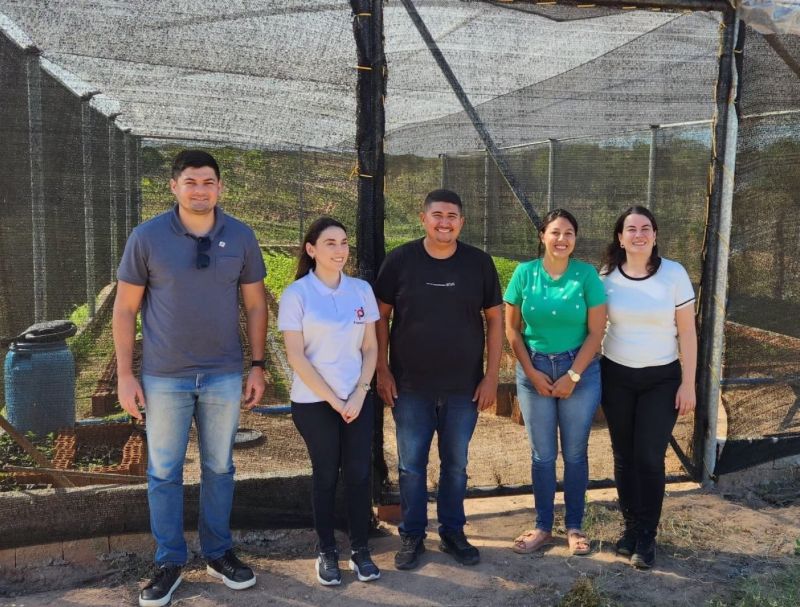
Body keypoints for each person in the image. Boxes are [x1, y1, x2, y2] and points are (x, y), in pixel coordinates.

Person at [113, 150, 267, 607]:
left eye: (208, 182)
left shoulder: (240, 235)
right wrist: (125, 374)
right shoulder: (147, 237)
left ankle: (218, 553)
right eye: (191, 182)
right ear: (174, 186)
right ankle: (169, 562)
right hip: (164, 377)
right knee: (164, 472)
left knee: (220, 467)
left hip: (223, 373)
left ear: (220, 187)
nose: (200, 190)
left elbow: (256, 304)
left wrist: (258, 365)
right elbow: (125, 308)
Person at [374, 189, 503, 570]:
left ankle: (452, 533)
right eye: (437, 215)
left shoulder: (479, 263)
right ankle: (412, 535)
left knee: (456, 466)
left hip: (464, 388)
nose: (444, 223)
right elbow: (380, 317)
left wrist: (491, 376)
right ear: (423, 218)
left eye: (452, 216)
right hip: (410, 387)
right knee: (411, 467)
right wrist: (382, 369)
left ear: (462, 222)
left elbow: (495, 320)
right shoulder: (400, 261)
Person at [277, 217, 381, 586]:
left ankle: (361, 551)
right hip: (314, 403)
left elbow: (371, 348)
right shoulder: (297, 294)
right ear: (311, 249)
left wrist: (360, 393)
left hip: (357, 400)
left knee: (359, 474)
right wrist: (336, 401)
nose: (340, 250)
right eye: (330, 243)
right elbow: (296, 357)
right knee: (325, 475)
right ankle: (327, 551)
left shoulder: (361, 290)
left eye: (344, 242)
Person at [504, 209, 606, 557]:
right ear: (542, 236)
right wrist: (531, 372)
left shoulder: (586, 275)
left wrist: (573, 375)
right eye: (555, 232)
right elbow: (512, 329)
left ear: (575, 239)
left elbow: (596, 332)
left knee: (575, 453)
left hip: (579, 370)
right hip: (533, 369)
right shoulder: (524, 273)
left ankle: (575, 526)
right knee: (543, 455)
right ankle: (543, 526)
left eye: (569, 234)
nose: (562, 239)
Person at [599, 206, 697, 569]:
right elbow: (594, 327)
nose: (638, 235)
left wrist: (689, 384)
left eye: (645, 228)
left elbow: (687, 332)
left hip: (661, 379)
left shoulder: (674, 274)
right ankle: (630, 528)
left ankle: (647, 536)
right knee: (624, 456)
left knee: (648, 457)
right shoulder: (606, 276)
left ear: (655, 235)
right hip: (616, 377)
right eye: (631, 229)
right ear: (620, 237)